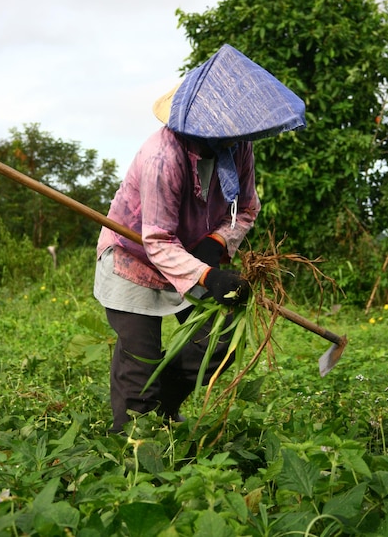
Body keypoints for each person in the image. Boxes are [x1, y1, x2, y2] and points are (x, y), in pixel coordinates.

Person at [94, 44, 306, 433]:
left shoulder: (237, 147)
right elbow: (156, 240)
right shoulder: (163, 157)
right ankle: (133, 446)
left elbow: (247, 209)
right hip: (134, 261)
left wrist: (219, 242)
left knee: (222, 338)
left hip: (189, 256)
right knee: (139, 362)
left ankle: (167, 400)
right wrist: (209, 276)